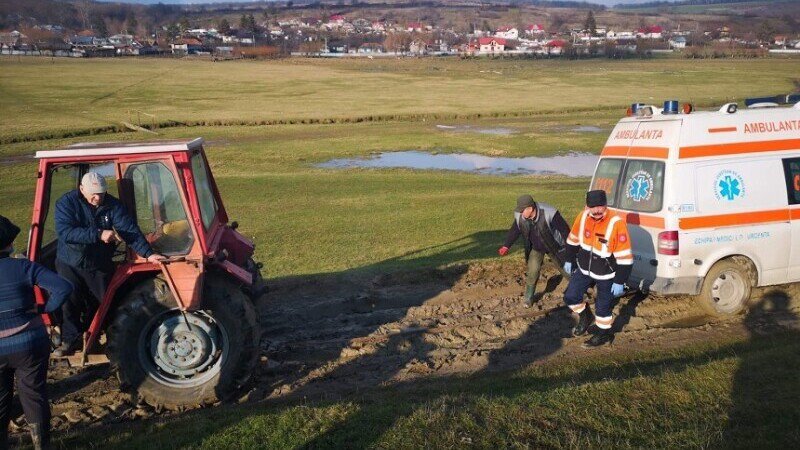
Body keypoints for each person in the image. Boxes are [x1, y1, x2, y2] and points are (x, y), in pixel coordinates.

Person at [53, 172, 164, 357]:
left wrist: (149, 254)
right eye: (94, 194)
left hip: (98, 263)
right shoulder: (66, 203)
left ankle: (102, 339)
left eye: (102, 193)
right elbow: (66, 232)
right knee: (69, 302)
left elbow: (129, 230)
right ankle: (70, 341)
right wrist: (98, 234)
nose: (98, 198)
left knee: (104, 301)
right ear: (82, 189)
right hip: (69, 262)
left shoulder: (112, 205)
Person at [0, 215, 73, 450]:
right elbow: (63, 287)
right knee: (34, 395)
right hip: (29, 343)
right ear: (10, 244)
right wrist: (44, 309)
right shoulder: (23, 266)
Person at [563, 190, 633, 348]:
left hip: (606, 273)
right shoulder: (582, 217)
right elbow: (573, 239)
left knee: (603, 305)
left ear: (606, 205)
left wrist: (620, 281)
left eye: (600, 206)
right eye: (593, 207)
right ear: (587, 206)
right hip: (584, 268)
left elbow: (625, 256)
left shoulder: (616, 223)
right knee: (570, 296)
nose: (597, 210)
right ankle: (585, 315)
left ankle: (603, 334)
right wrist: (569, 259)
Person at [498, 194, 571, 306]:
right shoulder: (520, 216)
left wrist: (570, 249)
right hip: (536, 248)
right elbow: (515, 229)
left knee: (565, 268)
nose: (521, 213)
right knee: (532, 271)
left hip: (554, 246)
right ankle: (528, 297)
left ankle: (579, 289)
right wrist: (506, 246)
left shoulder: (550, 213)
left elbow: (565, 231)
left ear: (530, 208)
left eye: (523, 210)